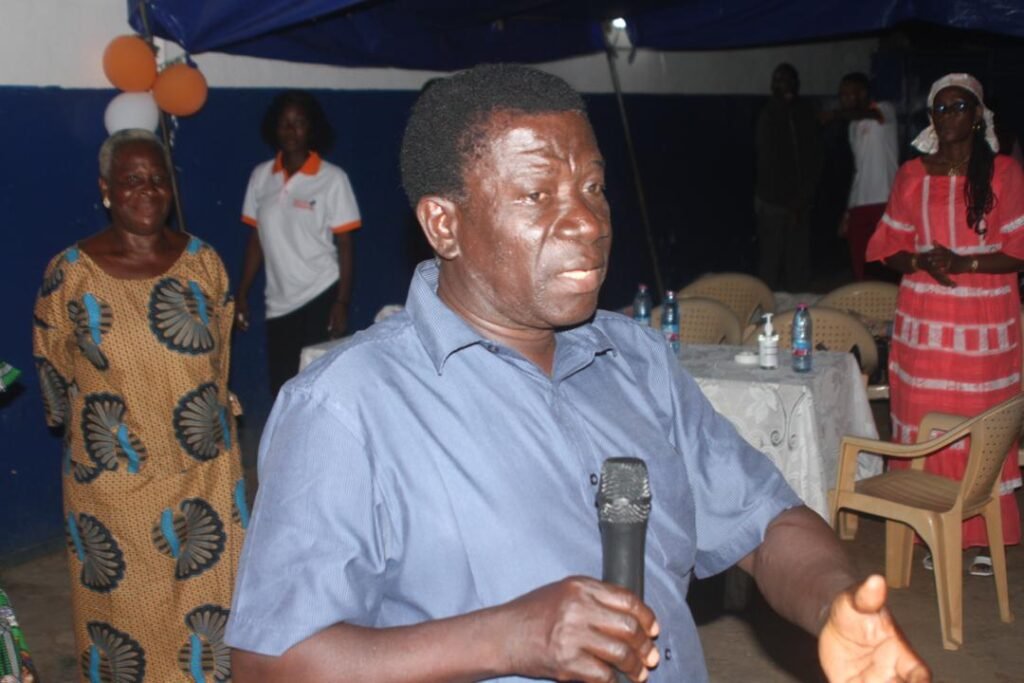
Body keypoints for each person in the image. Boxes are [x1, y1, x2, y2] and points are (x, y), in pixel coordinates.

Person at [226, 64, 929, 683]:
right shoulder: (345, 407)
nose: (589, 222)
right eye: (537, 195)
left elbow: (766, 521)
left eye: (593, 186)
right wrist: (509, 638)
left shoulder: (638, 361)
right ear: (444, 224)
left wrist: (835, 604)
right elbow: (270, 663)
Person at [33, 129, 246, 680]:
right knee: (125, 617)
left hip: (205, 476)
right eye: (131, 179)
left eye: (157, 178)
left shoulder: (204, 262)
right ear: (106, 189)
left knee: (211, 618)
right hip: (112, 487)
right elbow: (53, 367)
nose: (147, 189)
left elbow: (220, 360)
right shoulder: (70, 274)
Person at [867, 73, 1024, 577]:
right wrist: (919, 262)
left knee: (979, 422)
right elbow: (888, 247)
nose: (948, 116)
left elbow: (1018, 250)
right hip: (926, 319)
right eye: (939, 108)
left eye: (958, 107)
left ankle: (982, 532)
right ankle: (934, 525)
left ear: (978, 115)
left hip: (984, 319)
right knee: (927, 418)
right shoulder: (912, 174)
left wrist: (964, 263)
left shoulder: (1004, 173)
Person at [235, 90, 362, 395]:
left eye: (299, 123)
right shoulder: (261, 177)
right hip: (278, 302)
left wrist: (342, 302)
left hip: (321, 292)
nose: (291, 131)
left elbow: (346, 244)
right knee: (283, 386)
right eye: (284, 123)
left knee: (318, 386)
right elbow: (257, 240)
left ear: (312, 129)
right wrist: (242, 292)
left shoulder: (332, 179)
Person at [754, 63, 823, 292]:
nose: (787, 86)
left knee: (798, 261)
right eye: (781, 81)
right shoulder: (768, 116)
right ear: (773, 86)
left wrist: (801, 200)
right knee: (770, 261)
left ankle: (799, 305)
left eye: (791, 81)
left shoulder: (804, 114)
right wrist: (790, 203)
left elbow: (813, 159)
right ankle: (765, 307)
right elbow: (770, 166)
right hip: (774, 202)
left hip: (799, 201)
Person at [829, 73, 899, 281]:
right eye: (841, 94)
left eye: (848, 94)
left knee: (886, 262)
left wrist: (835, 115)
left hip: (885, 200)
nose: (843, 99)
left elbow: (872, 115)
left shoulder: (885, 110)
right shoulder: (852, 126)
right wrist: (848, 212)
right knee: (859, 262)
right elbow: (859, 170)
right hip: (859, 204)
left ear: (862, 93)